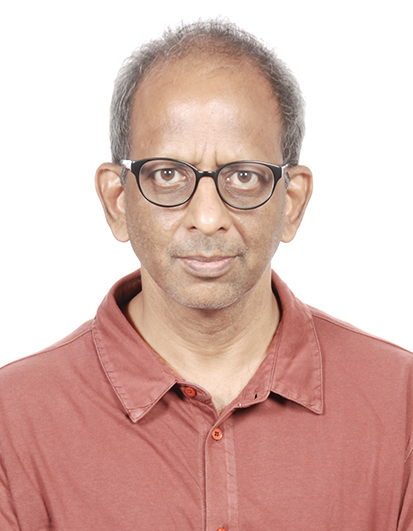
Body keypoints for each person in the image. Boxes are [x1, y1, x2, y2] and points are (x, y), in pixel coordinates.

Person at [0, 19, 412, 531]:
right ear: (117, 199)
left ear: (292, 202)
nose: (208, 217)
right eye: (168, 174)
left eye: (244, 176)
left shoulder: (401, 403)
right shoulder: (11, 421)